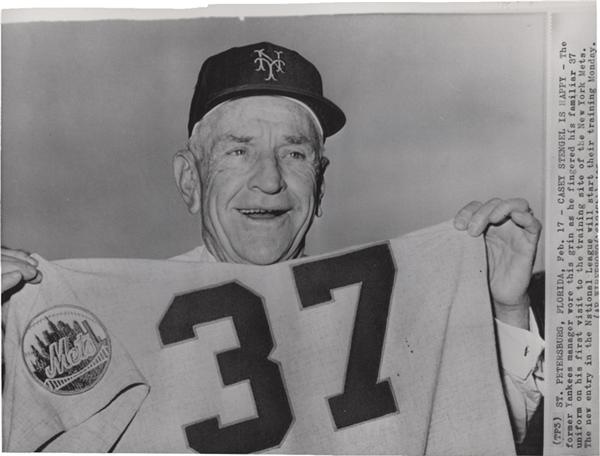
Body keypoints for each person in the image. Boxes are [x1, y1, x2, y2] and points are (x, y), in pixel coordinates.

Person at [1, 41, 544, 449]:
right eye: (238, 151)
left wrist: (503, 308)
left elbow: (474, 429)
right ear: (190, 180)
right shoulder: (106, 323)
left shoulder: (390, 306)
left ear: (321, 182)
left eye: (295, 154)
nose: (270, 181)